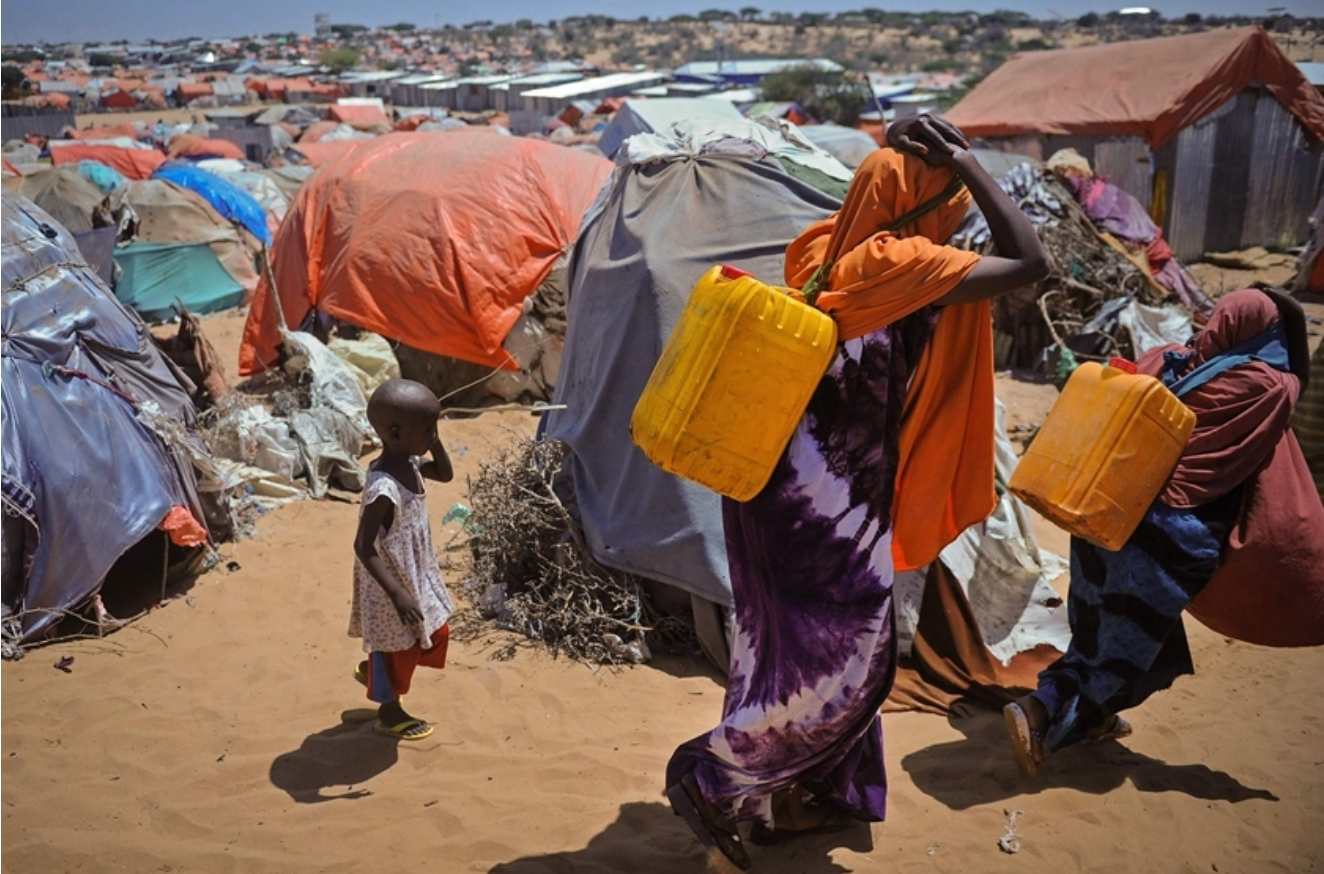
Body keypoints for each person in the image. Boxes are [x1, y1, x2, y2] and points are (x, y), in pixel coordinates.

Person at [664, 114, 1049, 871]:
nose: (953, 214)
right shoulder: (898, 261)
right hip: (833, 509)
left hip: (771, 491)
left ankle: (796, 799)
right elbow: (1028, 260)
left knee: (781, 650)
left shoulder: (821, 249)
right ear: (920, 201)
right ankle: (711, 776)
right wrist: (969, 163)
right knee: (846, 662)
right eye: (942, 198)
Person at [1004, 287, 1324, 777]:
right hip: (1167, 536)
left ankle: (1092, 720)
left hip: (1104, 508)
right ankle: (1040, 710)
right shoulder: (1269, 384)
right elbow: (1286, 401)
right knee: (1124, 645)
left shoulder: (1168, 359)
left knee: (1099, 628)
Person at [350, 378, 455, 741]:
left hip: (416, 572)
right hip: (391, 582)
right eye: (426, 429)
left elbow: (444, 473)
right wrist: (396, 594)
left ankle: (378, 673)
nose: (432, 435)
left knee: (435, 632)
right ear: (394, 433)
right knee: (398, 645)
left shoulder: (410, 463)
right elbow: (363, 546)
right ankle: (389, 711)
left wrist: (433, 439)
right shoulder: (384, 488)